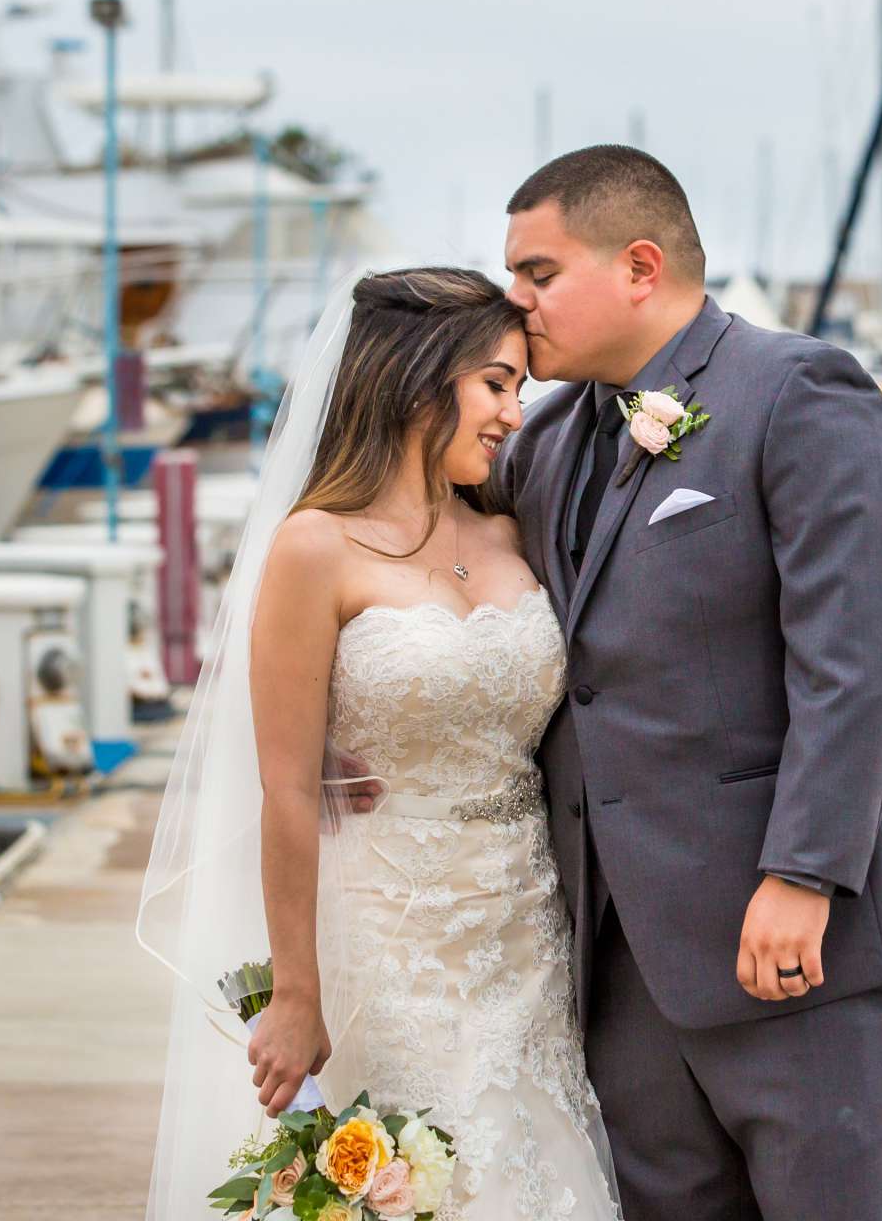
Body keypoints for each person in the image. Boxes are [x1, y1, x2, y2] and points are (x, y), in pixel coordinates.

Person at [495, 145, 882, 1219]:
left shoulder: (800, 392)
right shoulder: (544, 441)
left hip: (808, 944)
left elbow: (853, 663)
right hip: (627, 959)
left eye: (539, 272)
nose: (516, 299)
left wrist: (804, 874)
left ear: (639, 266)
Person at [138, 267, 620, 1219]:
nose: (514, 414)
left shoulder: (510, 531)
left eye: (521, 389)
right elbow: (283, 789)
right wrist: (296, 993)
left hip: (529, 928)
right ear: (415, 379)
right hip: (390, 935)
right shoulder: (314, 547)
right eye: (495, 384)